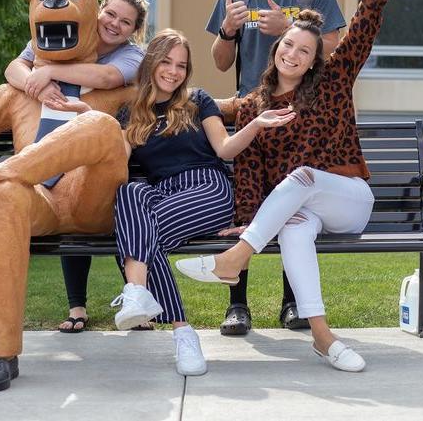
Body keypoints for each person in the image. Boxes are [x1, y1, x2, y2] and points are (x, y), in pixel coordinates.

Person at [178, 0, 413, 373]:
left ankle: (234, 260)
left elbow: (362, 29)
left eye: (304, 50)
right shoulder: (253, 106)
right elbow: (244, 167)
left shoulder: (333, 81)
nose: (294, 53)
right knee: (294, 229)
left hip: (349, 198)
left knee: (301, 176)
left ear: (312, 60)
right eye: (288, 45)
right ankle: (324, 338)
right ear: (276, 48)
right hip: (305, 208)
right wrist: (247, 218)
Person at [104, 29, 295, 376]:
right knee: (129, 193)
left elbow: (224, 149)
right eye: (166, 62)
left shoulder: (198, 100)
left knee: (138, 239)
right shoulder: (131, 112)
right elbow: (118, 164)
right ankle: (172, 323)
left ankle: (145, 298)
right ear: (151, 63)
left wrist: (254, 124)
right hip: (162, 191)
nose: (173, 72)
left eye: (181, 65)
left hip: (207, 188)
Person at [205, 0, 347, 335]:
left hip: (301, 112)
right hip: (253, 111)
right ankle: (238, 305)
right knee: (244, 198)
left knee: (294, 206)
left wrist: (286, 26)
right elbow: (219, 60)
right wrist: (229, 31)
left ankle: (291, 303)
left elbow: (335, 49)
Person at [5, 0, 149, 333]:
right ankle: (77, 308)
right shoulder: (65, 32)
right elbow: (14, 68)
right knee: (66, 203)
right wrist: (33, 83)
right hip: (55, 142)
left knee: (109, 203)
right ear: (99, 10)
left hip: (107, 146)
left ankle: (136, 304)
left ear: (134, 30)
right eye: (111, 14)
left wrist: (50, 71)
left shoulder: (133, 56)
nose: (114, 24)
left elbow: (106, 78)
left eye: (125, 22)